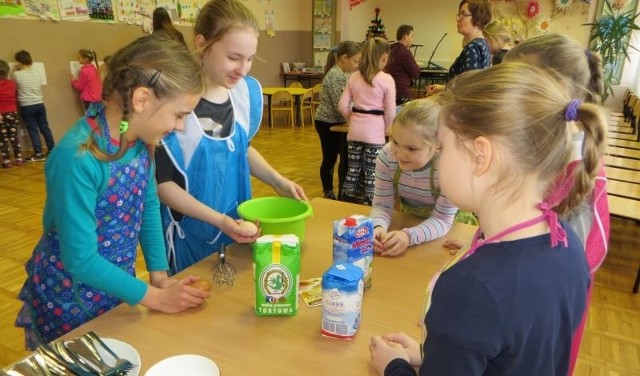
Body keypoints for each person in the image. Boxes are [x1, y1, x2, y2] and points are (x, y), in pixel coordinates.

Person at [369, 62, 605, 375]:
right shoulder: (567, 242)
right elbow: (514, 355)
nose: (438, 160)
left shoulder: (470, 288)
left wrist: (394, 367)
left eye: (442, 146)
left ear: (481, 156)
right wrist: (439, 355)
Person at [14, 34, 208, 349]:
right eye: (179, 115)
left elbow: (147, 207)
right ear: (142, 100)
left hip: (115, 287)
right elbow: (80, 259)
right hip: (68, 298)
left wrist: (159, 274)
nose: (182, 127)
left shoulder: (140, 142)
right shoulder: (77, 157)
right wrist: (156, 299)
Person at [156, 0, 307, 274]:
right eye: (233, 58)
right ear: (202, 44)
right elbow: (163, 185)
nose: (244, 69)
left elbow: (240, 149)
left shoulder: (244, 93)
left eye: (250, 59)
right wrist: (219, 221)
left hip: (236, 228)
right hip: (190, 239)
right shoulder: (174, 103)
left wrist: (278, 181)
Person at [504, 32, 608, 375]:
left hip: (537, 322)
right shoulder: (545, 148)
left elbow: (561, 273)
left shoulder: (578, 169)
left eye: (518, 84)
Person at [371, 99, 457, 256]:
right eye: (395, 142)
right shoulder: (387, 156)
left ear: (438, 144)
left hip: (448, 233)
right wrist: (377, 227)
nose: (400, 154)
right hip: (410, 219)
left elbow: (443, 219)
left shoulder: (449, 167)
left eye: (412, 148)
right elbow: (382, 205)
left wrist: (408, 236)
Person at [338, 37, 395, 205]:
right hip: (375, 132)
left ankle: (346, 199)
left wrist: (353, 118)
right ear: (384, 57)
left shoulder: (354, 77)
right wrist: (387, 129)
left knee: (353, 169)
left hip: (355, 130)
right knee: (372, 172)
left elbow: (342, 105)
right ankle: (370, 203)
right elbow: (390, 111)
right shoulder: (386, 80)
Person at [314, 41, 361, 200]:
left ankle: (344, 192)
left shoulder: (346, 74)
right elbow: (340, 105)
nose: (356, 66)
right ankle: (328, 191)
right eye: (355, 61)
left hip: (340, 123)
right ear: (344, 58)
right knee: (330, 158)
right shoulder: (335, 76)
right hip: (327, 123)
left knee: (345, 158)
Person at [426, 0, 492, 95]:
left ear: (478, 18)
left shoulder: (473, 47)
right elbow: (468, 83)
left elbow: (468, 90)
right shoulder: (483, 44)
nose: (458, 19)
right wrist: (442, 88)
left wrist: (440, 95)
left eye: (463, 14)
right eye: (459, 14)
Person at [13, 50, 56, 162]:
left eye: (16, 61)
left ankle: (38, 153)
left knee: (32, 130)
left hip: (27, 105)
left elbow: (15, 88)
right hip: (40, 104)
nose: (15, 64)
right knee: (45, 127)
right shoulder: (37, 73)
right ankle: (52, 149)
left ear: (20, 61)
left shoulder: (17, 75)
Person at [385, 25, 421, 105]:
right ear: (405, 36)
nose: (412, 39)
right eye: (412, 36)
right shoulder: (405, 52)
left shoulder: (389, 49)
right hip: (402, 93)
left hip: (389, 92)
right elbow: (415, 73)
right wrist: (416, 65)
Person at [0, 59, 23, 168]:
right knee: (14, 137)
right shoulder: (12, 83)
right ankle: (18, 159)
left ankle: (7, 162)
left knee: (3, 139)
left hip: (1, 114)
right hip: (12, 113)